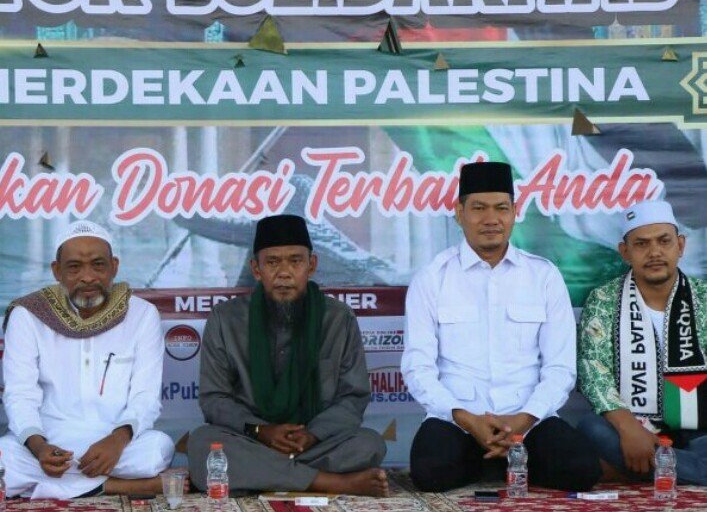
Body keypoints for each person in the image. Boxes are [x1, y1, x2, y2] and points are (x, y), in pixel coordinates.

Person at [402, 161, 601, 492]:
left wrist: (523, 420)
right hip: (459, 419)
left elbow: (560, 368)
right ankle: (500, 459)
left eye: (501, 208)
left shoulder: (543, 276)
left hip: (528, 418)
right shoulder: (432, 278)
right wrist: (467, 419)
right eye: (479, 208)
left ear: (514, 212)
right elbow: (417, 367)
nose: (491, 219)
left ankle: (496, 459)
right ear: (459, 213)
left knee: (581, 469)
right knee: (430, 473)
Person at [187, 214, 388, 496]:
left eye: (295, 261)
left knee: (369, 444)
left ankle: (264, 475)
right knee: (202, 444)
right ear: (256, 269)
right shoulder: (225, 319)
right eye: (272, 262)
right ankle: (329, 482)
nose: (284, 273)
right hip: (252, 439)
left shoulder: (338, 318)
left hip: (315, 442)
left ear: (311, 266)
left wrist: (312, 434)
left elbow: (353, 397)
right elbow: (214, 399)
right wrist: (262, 431)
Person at [0, 220, 175, 499]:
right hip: (48, 443)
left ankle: (54, 488)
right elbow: (20, 394)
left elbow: (145, 396)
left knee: (157, 450)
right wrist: (39, 446)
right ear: (57, 271)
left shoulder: (141, 314)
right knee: (4, 459)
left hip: (116, 443)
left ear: (114, 267)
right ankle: (114, 486)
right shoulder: (29, 315)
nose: (88, 277)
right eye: (74, 267)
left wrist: (117, 441)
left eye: (98, 265)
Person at [578, 200, 707, 485]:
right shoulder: (604, 300)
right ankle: (684, 469)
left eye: (664, 241)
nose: (654, 252)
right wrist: (629, 429)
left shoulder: (704, 298)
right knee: (591, 428)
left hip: (700, 428)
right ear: (625, 252)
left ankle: (649, 467)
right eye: (641, 244)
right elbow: (593, 373)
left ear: (680, 245)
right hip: (633, 426)